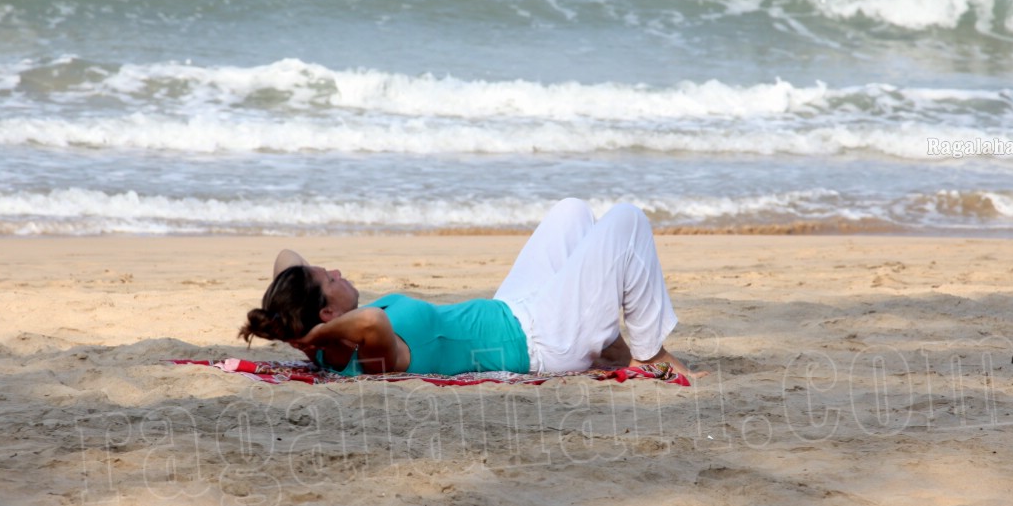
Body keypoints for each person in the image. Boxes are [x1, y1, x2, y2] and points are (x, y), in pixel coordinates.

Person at [238, 198, 692, 378]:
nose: (337, 272)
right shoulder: (371, 352)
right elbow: (375, 319)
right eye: (329, 280)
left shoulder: (327, 336)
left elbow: (286, 259)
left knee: (571, 212)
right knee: (627, 220)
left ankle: (608, 346)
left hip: (514, 311)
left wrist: (289, 322)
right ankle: (651, 356)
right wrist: (313, 336)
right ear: (326, 316)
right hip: (540, 341)